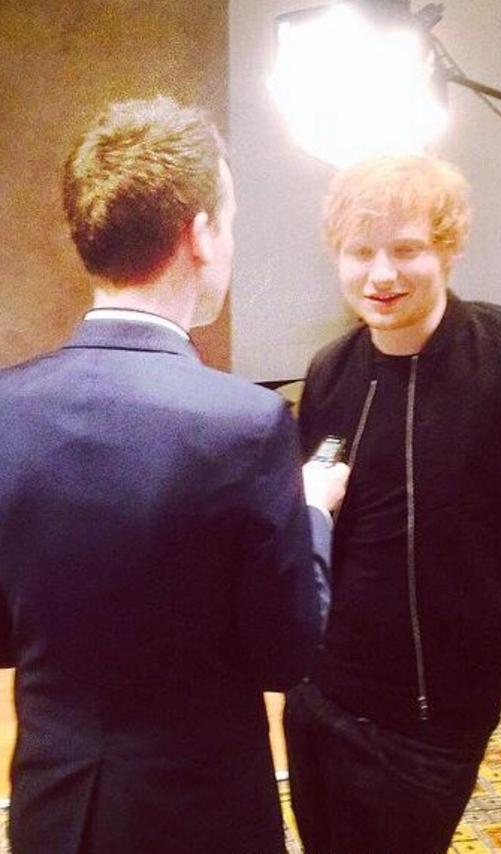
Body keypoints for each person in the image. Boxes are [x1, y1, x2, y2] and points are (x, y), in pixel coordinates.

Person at [0, 96, 347, 854]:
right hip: (196, 813)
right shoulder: (245, 427)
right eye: (229, 223)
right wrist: (314, 513)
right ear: (198, 233)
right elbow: (286, 655)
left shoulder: (5, 409)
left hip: (52, 810)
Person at [284, 154, 501, 854]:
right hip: (323, 692)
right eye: (361, 252)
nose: (381, 275)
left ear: (447, 249)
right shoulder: (331, 371)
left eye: (406, 249)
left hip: (436, 711)